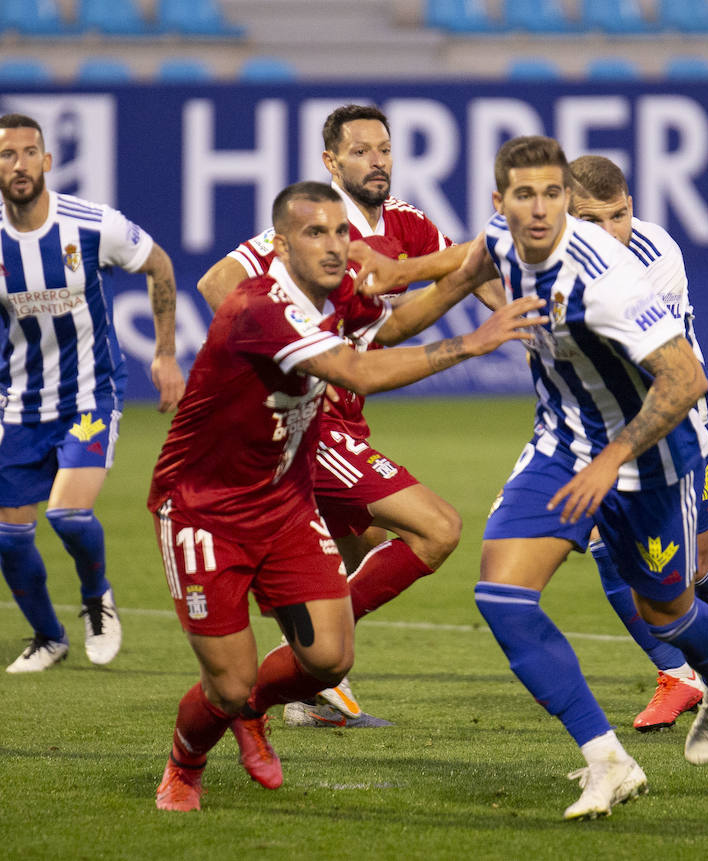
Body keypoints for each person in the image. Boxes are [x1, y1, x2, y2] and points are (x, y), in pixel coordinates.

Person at [362, 136, 708, 820]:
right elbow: (454, 278)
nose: (538, 211)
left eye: (549, 195)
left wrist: (612, 459)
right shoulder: (505, 237)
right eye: (525, 196)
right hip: (564, 442)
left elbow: (687, 378)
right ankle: (608, 759)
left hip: (654, 456)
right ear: (501, 202)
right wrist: (377, 332)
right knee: (502, 594)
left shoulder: (612, 279)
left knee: (667, 606)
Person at [150, 181, 545, 812]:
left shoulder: (338, 295)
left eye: (341, 232)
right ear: (279, 245)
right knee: (225, 684)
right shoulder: (261, 306)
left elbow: (389, 331)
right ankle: (185, 766)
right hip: (207, 507)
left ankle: (256, 708)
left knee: (330, 660)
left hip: (284, 501)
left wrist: (479, 264)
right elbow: (360, 371)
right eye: (316, 234)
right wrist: (472, 341)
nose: (337, 246)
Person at [197, 104, 468, 727]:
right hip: (310, 423)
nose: (377, 160)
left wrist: (507, 309)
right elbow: (218, 284)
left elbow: (422, 301)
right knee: (436, 530)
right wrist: (284, 355)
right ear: (331, 161)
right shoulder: (315, 224)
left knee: (361, 550)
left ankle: (312, 690)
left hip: (350, 417)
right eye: (361, 150)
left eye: (384, 149)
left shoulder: (406, 223)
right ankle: (281, 667)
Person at [0, 113, 185, 673]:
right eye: (7, 155)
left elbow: (160, 267)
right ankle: (47, 637)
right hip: (21, 403)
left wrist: (164, 354)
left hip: (92, 393)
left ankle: (96, 599)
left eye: (30, 152)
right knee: (11, 538)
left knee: (67, 513)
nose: (20, 164)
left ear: (48, 161)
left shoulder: (92, 225)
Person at [567, 154, 708, 733]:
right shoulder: (548, 253)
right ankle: (679, 673)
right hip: (604, 423)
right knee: (604, 540)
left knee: (694, 563)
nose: (610, 232)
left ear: (632, 208)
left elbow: (644, 372)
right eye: (591, 221)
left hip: (677, 418)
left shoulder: (655, 255)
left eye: (618, 215)